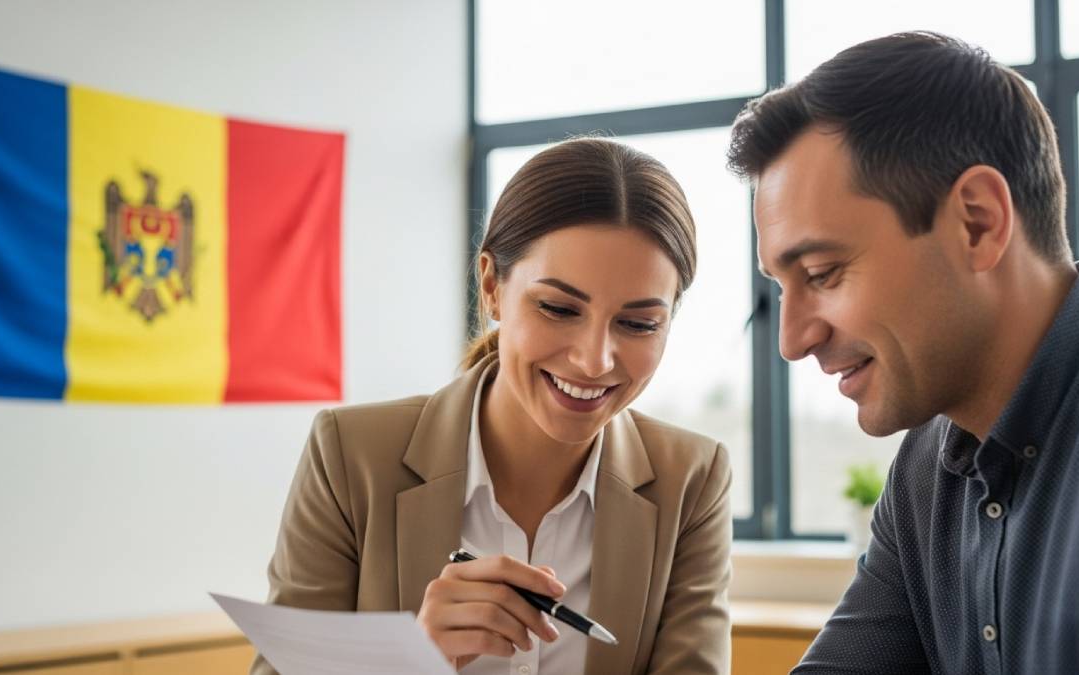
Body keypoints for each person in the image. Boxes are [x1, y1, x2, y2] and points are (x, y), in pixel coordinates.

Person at [250, 137, 732, 675]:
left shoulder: (692, 480)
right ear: (491, 285)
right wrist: (413, 663)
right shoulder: (350, 455)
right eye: (558, 308)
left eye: (639, 324)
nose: (595, 361)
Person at [726, 31, 1079, 674]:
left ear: (977, 223)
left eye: (823, 273)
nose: (792, 340)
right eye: (781, 286)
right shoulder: (928, 464)